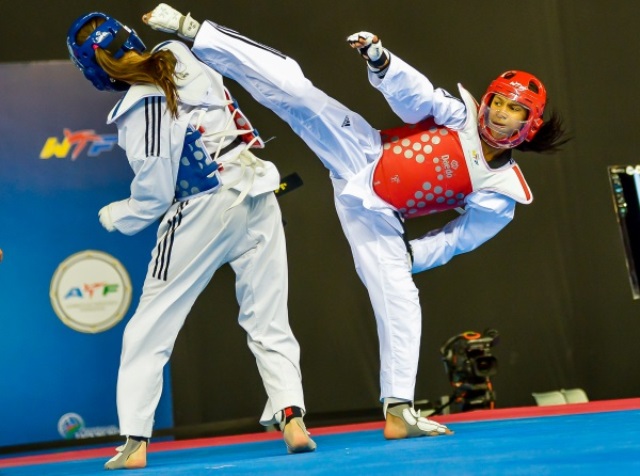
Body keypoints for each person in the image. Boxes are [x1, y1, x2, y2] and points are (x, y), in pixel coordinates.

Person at [142, 4, 567, 440]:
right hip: (361, 150)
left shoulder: (503, 192)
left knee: (400, 296)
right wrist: (382, 61)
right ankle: (194, 31)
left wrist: (412, 254)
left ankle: (399, 409)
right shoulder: (460, 117)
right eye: (497, 101)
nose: (499, 112)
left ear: (528, 125)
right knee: (296, 92)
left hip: (378, 214)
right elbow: (415, 97)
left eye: (513, 109)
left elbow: (461, 238)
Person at [66, 11, 316, 470]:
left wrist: (114, 215)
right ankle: (291, 416)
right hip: (258, 189)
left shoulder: (138, 107)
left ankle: (134, 442)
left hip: (203, 207)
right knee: (268, 317)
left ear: (94, 70)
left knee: (149, 328)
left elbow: (154, 195)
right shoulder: (178, 54)